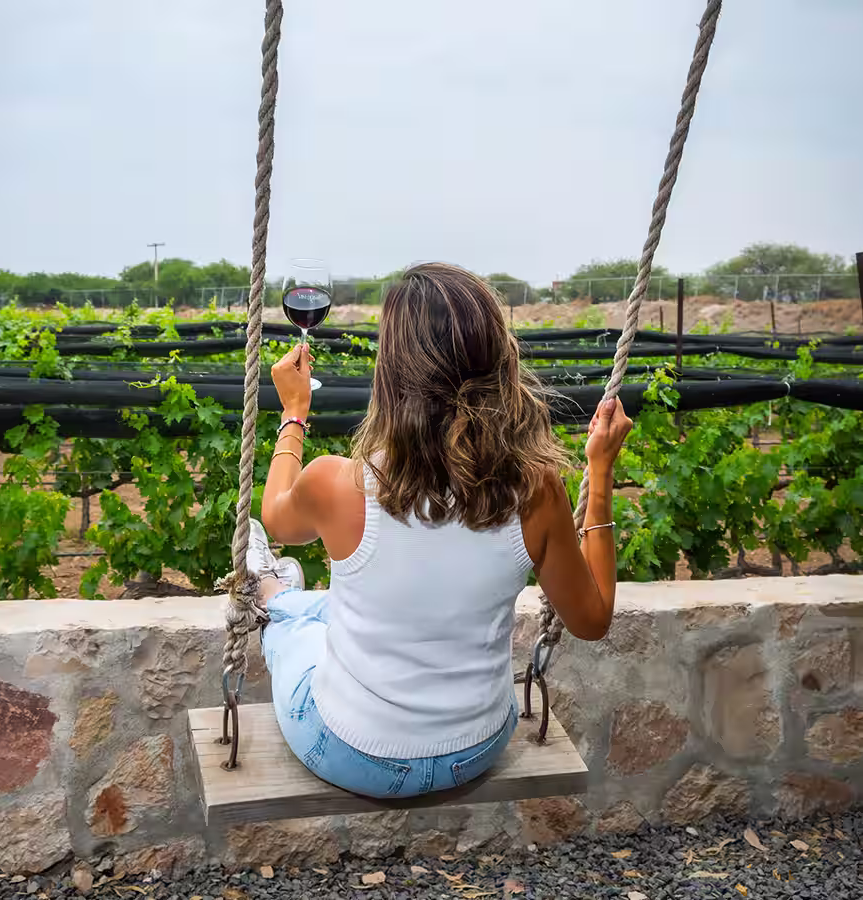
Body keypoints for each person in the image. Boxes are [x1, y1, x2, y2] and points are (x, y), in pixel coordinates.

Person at [249, 262, 632, 799]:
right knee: (332, 610)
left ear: (391, 371)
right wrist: (601, 472)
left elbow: (275, 518)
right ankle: (285, 594)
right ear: (500, 360)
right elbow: (592, 621)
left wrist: (294, 412)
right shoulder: (536, 489)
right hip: (474, 749)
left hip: (353, 752)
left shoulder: (336, 482)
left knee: (293, 633)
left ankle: (273, 594)